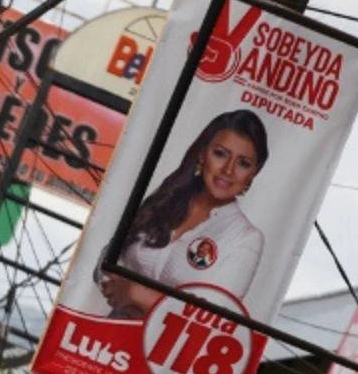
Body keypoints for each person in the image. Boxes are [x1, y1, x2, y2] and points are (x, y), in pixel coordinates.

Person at [98, 109, 269, 318]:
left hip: (163, 349)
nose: (228, 169)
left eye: (243, 163)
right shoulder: (165, 200)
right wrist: (118, 286)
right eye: (220, 154)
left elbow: (211, 318)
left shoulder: (246, 238)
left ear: (253, 173)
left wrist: (136, 293)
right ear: (202, 153)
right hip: (103, 338)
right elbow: (106, 259)